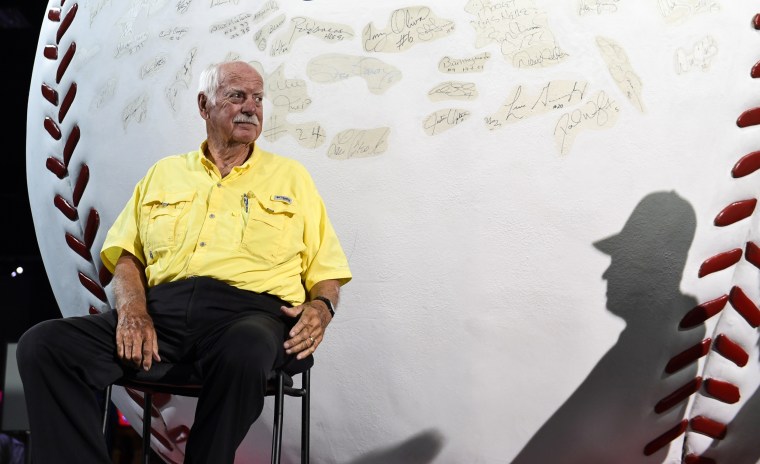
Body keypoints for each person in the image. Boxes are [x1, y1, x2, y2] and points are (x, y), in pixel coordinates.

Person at [16, 60, 352, 463]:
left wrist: (321, 307)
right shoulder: (164, 173)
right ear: (204, 105)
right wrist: (133, 311)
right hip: (163, 315)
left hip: (251, 316)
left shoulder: (292, 178)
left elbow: (327, 269)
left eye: (258, 98)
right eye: (237, 96)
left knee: (245, 348)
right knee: (44, 346)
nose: (251, 107)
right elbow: (126, 255)